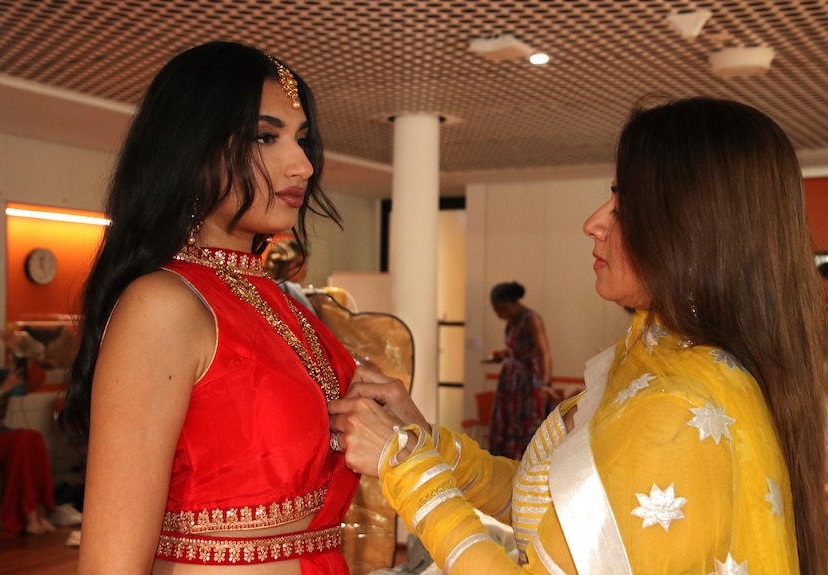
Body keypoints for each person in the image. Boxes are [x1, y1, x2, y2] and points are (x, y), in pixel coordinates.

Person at [328, 97, 828, 574]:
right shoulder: (662, 362)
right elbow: (546, 507)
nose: (593, 223)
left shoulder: (674, 405)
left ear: (694, 230)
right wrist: (423, 442)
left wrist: (404, 467)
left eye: (623, 203)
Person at [62, 41, 360, 573]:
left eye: (303, 141)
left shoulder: (274, 296)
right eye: (266, 138)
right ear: (193, 148)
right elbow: (111, 562)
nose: (303, 166)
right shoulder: (163, 303)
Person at [0, 327, 55, 537]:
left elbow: (32, 379)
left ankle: (36, 512)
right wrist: (2, 389)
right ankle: (29, 512)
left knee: (32, 439)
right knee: (23, 440)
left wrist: (17, 350)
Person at [487, 281, 553, 459]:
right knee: (508, 422)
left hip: (527, 380)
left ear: (511, 303)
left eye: (500, 309)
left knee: (525, 421)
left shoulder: (532, 319)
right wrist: (503, 354)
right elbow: (518, 348)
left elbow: (543, 352)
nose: (499, 314)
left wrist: (546, 383)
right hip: (510, 381)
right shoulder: (512, 322)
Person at [264, 236, 318, 315]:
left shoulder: (310, 296)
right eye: (298, 264)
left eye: (305, 264)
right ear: (282, 266)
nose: (304, 269)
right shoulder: (269, 295)